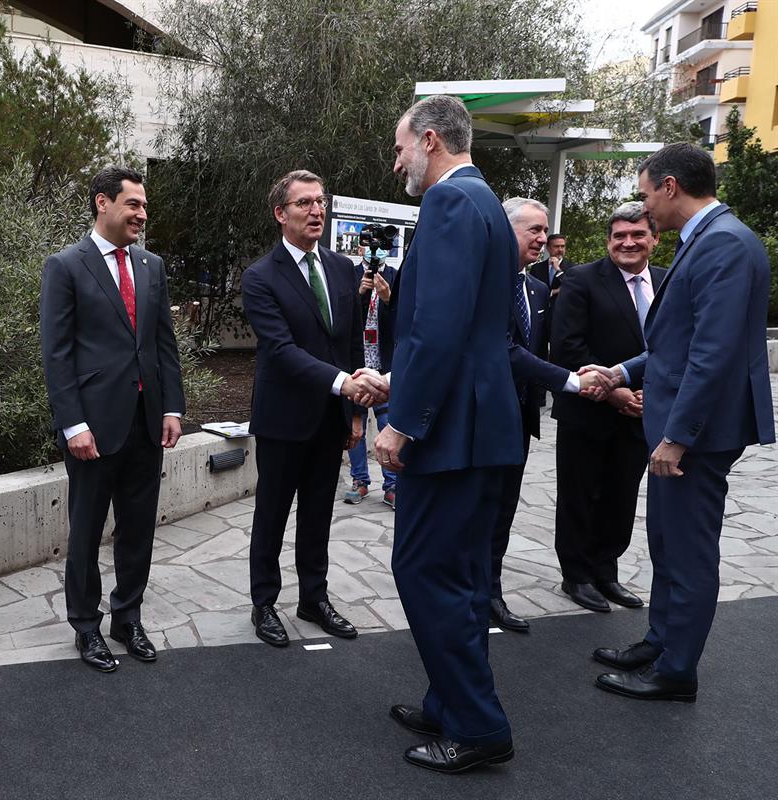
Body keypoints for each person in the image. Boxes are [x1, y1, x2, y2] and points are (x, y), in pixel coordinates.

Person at [585, 143, 773, 701]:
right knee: (667, 544)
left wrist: (676, 437)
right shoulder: (710, 241)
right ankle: (661, 640)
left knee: (688, 553)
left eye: (645, 195)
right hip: (681, 431)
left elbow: (711, 356)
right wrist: (620, 368)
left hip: (695, 437)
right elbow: (677, 343)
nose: (644, 209)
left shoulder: (723, 246)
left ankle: (676, 671)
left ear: (670, 186)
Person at [376, 95, 522, 773]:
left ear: (430, 140)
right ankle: (448, 702)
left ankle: (477, 724)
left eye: (401, 146)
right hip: (478, 420)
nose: (397, 159)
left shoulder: (449, 203)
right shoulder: (487, 201)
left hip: (451, 430)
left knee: (426, 571)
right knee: (458, 576)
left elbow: (436, 328)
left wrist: (402, 423)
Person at [40, 166, 185, 673]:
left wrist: (172, 407)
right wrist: (72, 424)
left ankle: (128, 617)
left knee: (138, 528)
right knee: (85, 530)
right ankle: (86, 626)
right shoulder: (65, 266)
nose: (142, 215)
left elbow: (163, 342)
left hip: (146, 423)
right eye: (134, 205)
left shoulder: (151, 266)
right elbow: (56, 355)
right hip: (93, 429)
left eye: (145, 206)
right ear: (103, 203)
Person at [241, 169, 386, 648]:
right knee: (272, 515)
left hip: (331, 419)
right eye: (304, 203)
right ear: (281, 214)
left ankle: (313, 598)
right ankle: (264, 603)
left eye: (320, 202)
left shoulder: (345, 270)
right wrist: (345, 384)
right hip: (284, 420)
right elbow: (281, 351)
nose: (316, 211)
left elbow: (346, 342)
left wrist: (356, 414)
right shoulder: (260, 277)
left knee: (319, 513)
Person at [491, 198, 608, 633]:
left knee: (503, 510)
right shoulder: (485, 283)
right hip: (482, 419)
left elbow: (542, 351)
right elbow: (505, 350)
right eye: (533, 230)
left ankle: (491, 591)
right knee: (477, 511)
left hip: (520, 418)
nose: (543, 240)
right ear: (506, 232)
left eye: (545, 232)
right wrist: (574, 382)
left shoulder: (538, 289)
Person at [550, 202, 665, 614]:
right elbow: (567, 347)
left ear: (654, 238)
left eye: (637, 235)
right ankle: (576, 575)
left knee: (620, 497)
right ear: (608, 241)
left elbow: (672, 349)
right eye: (619, 236)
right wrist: (614, 391)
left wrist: (649, 395)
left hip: (642, 413)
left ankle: (606, 571)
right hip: (589, 409)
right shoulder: (581, 280)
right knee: (580, 496)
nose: (628, 242)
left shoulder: (668, 283)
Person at [343, 248, 397, 509]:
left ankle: (393, 484)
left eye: (383, 247)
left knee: (389, 423)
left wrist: (388, 298)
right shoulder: (349, 275)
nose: (378, 252)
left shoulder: (396, 277)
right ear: (362, 248)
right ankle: (359, 480)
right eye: (372, 246)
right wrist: (359, 294)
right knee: (357, 425)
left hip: (385, 366)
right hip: (358, 364)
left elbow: (404, 319)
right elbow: (341, 318)